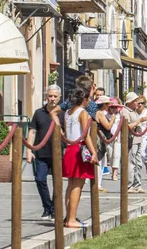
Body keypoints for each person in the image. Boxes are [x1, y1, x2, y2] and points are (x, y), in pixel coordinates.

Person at [61, 87, 98, 230]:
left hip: (70, 148)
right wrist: (93, 152)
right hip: (79, 148)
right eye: (88, 98)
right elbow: (85, 135)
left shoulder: (67, 113)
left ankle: (69, 216)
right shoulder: (83, 113)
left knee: (70, 184)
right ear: (84, 99)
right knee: (78, 184)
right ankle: (71, 218)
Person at [27, 87, 60, 220]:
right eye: (50, 96)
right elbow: (32, 132)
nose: (52, 99)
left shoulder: (63, 113)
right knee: (40, 179)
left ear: (59, 97)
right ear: (46, 97)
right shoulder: (38, 113)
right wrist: (29, 150)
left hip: (58, 153)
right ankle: (48, 207)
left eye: (55, 96)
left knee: (57, 183)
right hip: (42, 153)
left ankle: (54, 209)